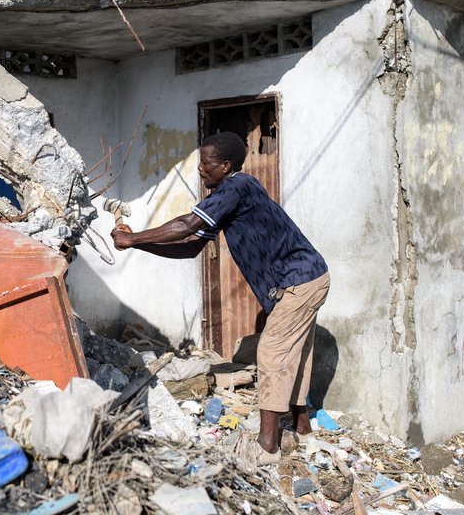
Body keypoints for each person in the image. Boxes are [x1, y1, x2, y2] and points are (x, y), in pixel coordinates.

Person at [110, 131, 329, 464]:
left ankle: (267, 446)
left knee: (271, 352)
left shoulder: (236, 187)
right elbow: (191, 246)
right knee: (294, 353)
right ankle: (301, 428)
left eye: (206, 163)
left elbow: (187, 224)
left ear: (226, 166)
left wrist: (134, 236)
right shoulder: (232, 193)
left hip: (300, 280)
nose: (200, 169)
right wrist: (137, 243)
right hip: (307, 277)